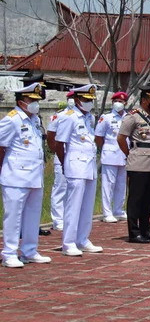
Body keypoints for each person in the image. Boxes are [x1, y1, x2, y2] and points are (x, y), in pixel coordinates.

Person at [0, 83, 51, 267]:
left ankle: (29, 250)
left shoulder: (35, 120)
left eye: (37, 100)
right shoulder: (12, 119)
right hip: (15, 175)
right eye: (32, 100)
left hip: (34, 175)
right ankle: (9, 253)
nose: (36, 104)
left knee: (32, 215)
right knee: (13, 216)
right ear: (22, 102)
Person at [55, 84, 103, 256]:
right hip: (75, 165)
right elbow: (60, 144)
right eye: (85, 100)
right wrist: (64, 163)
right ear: (76, 100)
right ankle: (68, 243)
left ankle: (83, 239)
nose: (88, 103)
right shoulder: (69, 117)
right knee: (73, 206)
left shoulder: (89, 118)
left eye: (90, 100)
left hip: (89, 165)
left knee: (87, 205)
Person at [117, 85, 150, 244]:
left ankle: (146, 230)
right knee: (136, 199)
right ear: (144, 100)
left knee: (148, 199)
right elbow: (121, 138)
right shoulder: (133, 116)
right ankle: (134, 232)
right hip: (138, 162)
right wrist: (129, 154)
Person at [20, 74, 51, 236]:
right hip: (21, 167)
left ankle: (32, 226)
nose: (42, 92)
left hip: (36, 161)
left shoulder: (35, 117)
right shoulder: (17, 118)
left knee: (34, 198)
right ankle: (20, 228)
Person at [95, 92, 128, 223]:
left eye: (121, 101)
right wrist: (104, 149)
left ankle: (118, 210)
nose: (118, 103)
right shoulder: (106, 117)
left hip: (124, 154)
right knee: (108, 185)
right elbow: (98, 136)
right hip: (110, 154)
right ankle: (107, 212)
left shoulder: (128, 117)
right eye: (116, 101)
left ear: (125, 103)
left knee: (121, 185)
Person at [47, 93, 75, 232]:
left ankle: (69, 218)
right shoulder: (59, 116)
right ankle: (58, 219)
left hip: (76, 158)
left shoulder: (82, 117)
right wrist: (56, 153)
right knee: (60, 188)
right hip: (62, 155)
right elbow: (51, 137)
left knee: (73, 190)